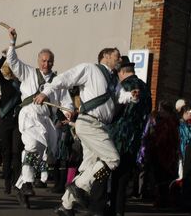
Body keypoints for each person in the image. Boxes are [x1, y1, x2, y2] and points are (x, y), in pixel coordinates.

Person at [33, 47, 123, 216]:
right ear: (106, 56)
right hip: (89, 123)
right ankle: (78, 186)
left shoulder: (113, 81)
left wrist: (130, 97)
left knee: (88, 166)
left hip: (100, 126)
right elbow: (64, 79)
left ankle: (66, 205)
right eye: (117, 56)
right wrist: (45, 92)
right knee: (113, 159)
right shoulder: (90, 69)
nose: (119, 60)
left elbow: (120, 96)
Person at [6, 27, 73, 209]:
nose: (46, 64)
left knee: (37, 155)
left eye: (49, 61)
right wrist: (12, 42)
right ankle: (27, 183)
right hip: (29, 115)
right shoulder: (27, 72)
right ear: (38, 61)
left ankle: (20, 187)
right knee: (32, 146)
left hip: (45, 121)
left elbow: (67, 102)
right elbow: (12, 61)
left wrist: (68, 113)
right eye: (43, 61)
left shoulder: (58, 81)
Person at [108, 56, 151, 216]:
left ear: (121, 71)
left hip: (117, 138)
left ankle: (105, 206)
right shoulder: (145, 87)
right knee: (123, 177)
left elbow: (112, 111)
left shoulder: (124, 86)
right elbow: (147, 112)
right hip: (135, 139)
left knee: (106, 172)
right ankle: (119, 211)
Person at [137, 100, 179, 209]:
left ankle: (162, 201)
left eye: (161, 110)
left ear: (167, 111)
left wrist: (153, 141)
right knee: (161, 178)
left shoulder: (167, 123)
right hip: (162, 153)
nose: (159, 111)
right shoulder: (168, 122)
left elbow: (162, 139)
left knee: (162, 178)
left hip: (163, 154)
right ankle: (163, 200)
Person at [0, 54, 23, 195]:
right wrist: (4, 55)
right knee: (6, 153)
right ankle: (7, 181)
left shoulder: (23, 85)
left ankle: (16, 182)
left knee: (16, 152)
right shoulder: (4, 83)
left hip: (18, 122)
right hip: (5, 122)